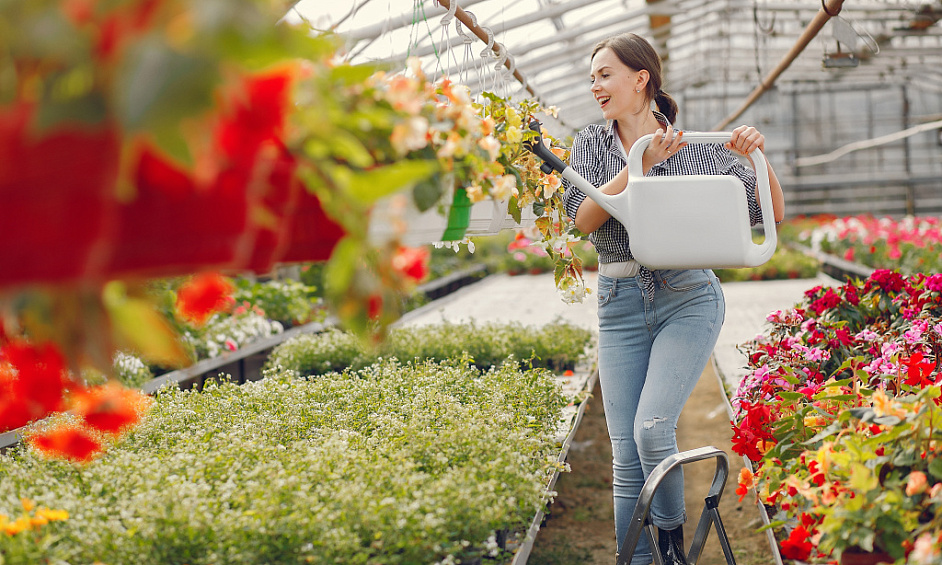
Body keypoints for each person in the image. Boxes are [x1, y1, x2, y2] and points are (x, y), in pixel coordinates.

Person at [561, 33, 785, 565]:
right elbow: (580, 219)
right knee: (626, 457)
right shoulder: (590, 143)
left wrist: (759, 158)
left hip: (686, 296)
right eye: (592, 78)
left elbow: (769, 213)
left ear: (641, 79)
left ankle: (670, 549)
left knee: (651, 428)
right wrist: (637, 164)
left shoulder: (697, 147)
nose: (595, 86)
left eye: (605, 75)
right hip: (618, 301)